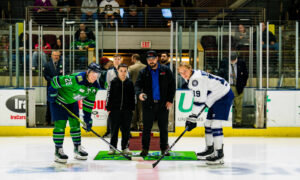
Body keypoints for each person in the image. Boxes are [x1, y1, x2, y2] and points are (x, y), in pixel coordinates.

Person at [178, 62, 234, 165]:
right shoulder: (192, 77)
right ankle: (210, 149)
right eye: (181, 73)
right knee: (208, 124)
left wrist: (193, 116)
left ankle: (219, 154)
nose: (183, 74)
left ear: (190, 69)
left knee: (215, 124)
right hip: (214, 96)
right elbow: (200, 98)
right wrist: (192, 117)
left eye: (185, 71)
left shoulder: (196, 79)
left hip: (223, 95)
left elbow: (200, 101)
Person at [47, 62, 101, 163]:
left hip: (72, 103)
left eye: (97, 74)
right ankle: (58, 150)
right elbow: (55, 80)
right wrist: (52, 93)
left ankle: (77, 148)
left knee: (75, 125)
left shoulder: (94, 87)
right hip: (59, 101)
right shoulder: (76, 79)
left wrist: (87, 119)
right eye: (93, 73)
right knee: (60, 125)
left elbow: (88, 103)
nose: (95, 76)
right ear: (88, 72)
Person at [135, 50, 175, 156]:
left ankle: (164, 149)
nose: (151, 61)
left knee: (163, 128)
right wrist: (139, 93)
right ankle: (145, 149)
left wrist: (170, 100)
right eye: (149, 59)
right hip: (148, 104)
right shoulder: (143, 72)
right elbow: (137, 85)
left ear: (157, 59)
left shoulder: (166, 70)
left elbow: (172, 86)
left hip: (163, 104)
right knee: (146, 128)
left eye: (153, 59)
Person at [106, 63, 135, 155]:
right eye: (121, 71)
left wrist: (132, 108)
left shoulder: (130, 83)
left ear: (127, 72)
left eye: (125, 71)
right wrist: (108, 108)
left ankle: (125, 147)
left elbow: (133, 96)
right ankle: (112, 147)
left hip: (127, 111)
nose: (123, 73)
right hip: (114, 110)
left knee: (126, 130)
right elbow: (108, 95)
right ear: (117, 71)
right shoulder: (113, 82)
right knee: (114, 130)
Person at [218, 52, 248, 127]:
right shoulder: (224, 62)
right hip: (227, 87)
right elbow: (220, 74)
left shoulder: (242, 63)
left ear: (237, 59)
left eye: (234, 61)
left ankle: (238, 121)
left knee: (238, 104)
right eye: (231, 60)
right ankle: (227, 120)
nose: (232, 62)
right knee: (226, 104)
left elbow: (245, 75)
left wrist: (242, 84)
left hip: (238, 86)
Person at [103, 54, 128, 137]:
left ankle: (125, 131)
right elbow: (107, 84)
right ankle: (109, 131)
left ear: (121, 60)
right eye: (115, 59)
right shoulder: (109, 71)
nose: (117, 60)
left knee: (124, 114)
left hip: (123, 95)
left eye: (118, 59)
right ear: (113, 61)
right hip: (113, 96)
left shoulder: (125, 71)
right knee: (110, 113)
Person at [43, 50, 63, 126]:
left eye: (58, 55)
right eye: (55, 55)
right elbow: (45, 75)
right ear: (51, 56)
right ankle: (47, 120)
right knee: (49, 102)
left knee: (59, 103)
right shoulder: (47, 65)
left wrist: (59, 82)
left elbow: (65, 75)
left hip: (60, 87)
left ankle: (56, 120)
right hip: (50, 86)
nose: (56, 57)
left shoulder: (62, 64)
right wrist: (53, 81)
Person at [128, 54, 146, 131]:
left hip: (133, 91)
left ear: (134, 59)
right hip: (143, 91)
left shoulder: (131, 68)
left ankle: (133, 125)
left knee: (133, 108)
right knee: (142, 108)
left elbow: (128, 80)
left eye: (132, 59)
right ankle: (142, 125)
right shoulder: (145, 67)